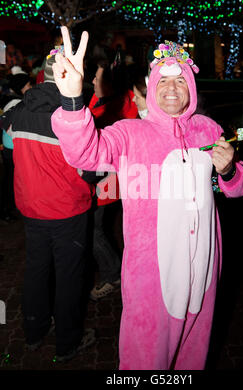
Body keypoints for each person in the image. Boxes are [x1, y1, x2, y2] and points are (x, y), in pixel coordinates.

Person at [51, 27, 243, 370]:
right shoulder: (131, 133)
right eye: (163, 81)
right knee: (145, 360)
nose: (171, 88)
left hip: (203, 272)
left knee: (193, 356)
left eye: (180, 80)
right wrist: (72, 101)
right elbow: (84, 152)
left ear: (192, 86)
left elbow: (238, 186)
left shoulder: (209, 129)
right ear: (151, 87)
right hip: (151, 280)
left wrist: (230, 170)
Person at [0, 48, 96, 363]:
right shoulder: (75, 116)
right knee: (69, 276)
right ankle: (68, 343)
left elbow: (9, 144)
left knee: (36, 269)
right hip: (67, 209)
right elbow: (91, 169)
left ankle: (33, 332)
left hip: (30, 207)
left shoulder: (17, 109)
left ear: (44, 73)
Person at [88, 57, 138, 300]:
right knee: (99, 226)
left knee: (94, 228)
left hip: (108, 178)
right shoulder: (100, 100)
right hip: (100, 177)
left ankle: (113, 273)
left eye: (97, 78)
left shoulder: (121, 107)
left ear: (109, 83)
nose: (92, 81)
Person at [0, 72, 32, 222]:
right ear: (21, 88)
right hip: (12, 147)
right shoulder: (14, 103)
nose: (31, 87)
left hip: (10, 146)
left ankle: (8, 207)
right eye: (28, 85)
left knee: (11, 178)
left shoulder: (13, 100)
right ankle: (6, 209)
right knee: (10, 179)